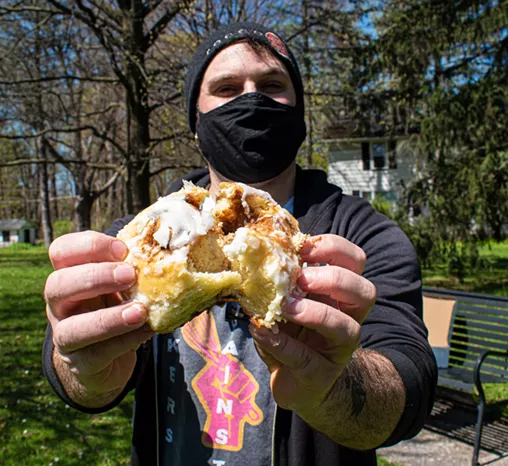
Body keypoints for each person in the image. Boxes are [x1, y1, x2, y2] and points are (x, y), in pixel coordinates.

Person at [42, 22, 437, 466]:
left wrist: (334, 386)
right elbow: (69, 362)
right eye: (227, 88)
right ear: (197, 122)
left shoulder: (363, 236)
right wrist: (83, 370)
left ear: (300, 116)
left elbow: (409, 383)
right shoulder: (142, 238)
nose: (252, 100)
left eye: (272, 85)